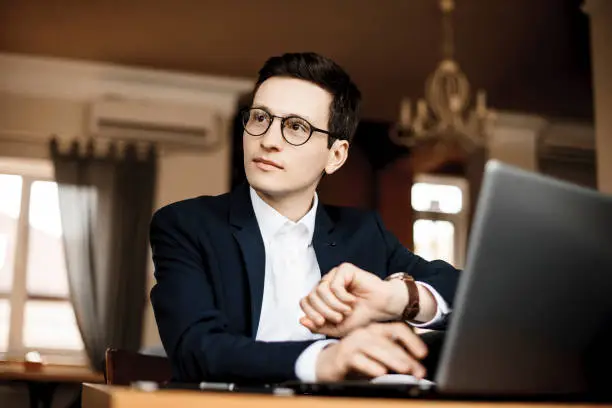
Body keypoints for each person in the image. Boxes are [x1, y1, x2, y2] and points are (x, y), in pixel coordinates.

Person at [149, 52, 460, 385]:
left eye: (295, 126)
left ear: (336, 155)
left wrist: (397, 299)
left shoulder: (364, 233)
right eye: (259, 118)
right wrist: (324, 360)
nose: (267, 141)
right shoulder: (186, 224)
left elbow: (466, 290)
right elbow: (197, 349)